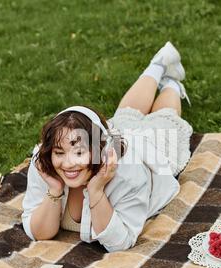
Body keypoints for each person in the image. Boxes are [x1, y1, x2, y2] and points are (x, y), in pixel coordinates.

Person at [21, 41, 193, 252]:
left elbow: (120, 242)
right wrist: (54, 190)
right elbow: (40, 232)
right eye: (59, 152)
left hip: (153, 149)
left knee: (164, 118)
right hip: (115, 136)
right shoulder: (45, 162)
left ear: (97, 149)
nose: (68, 163)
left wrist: (96, 190)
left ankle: (171, 84)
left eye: (79, 152)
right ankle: (158, 65)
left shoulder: (128, 174)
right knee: (125, 115)